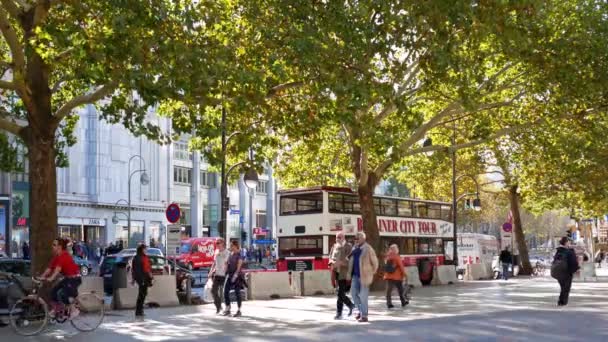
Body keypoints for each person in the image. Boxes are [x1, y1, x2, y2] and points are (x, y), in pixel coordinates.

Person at [40, 237, 82, 319]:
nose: (52, 246)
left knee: (64, 294)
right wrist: (41, 277)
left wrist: (51, 278)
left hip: (75, 279)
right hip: (67, 278)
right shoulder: (56, 257)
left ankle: (74, 310)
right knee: (53, 292)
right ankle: (57, 309)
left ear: (59, 247)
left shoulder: (64, 255)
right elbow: (49, 269)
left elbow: (57, 270)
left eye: (54, 245)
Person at [347, 232, 378, 323]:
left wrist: (371, 272)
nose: (356, 240)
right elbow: (350, 262)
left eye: (358, 238)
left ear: (363, 239)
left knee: (363, 296)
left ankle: (364, 316)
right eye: (355, 238)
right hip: (355, 276)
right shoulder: (354, 248)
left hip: (365, 276)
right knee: (353, 294)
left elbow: (375, 262)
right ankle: (360, 311)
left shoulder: (368, 249)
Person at [328, 232, 354, 320]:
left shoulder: (349, 246)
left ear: (343, 238)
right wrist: (332, 263)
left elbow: (351, 260)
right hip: (336, 273)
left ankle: (339, 313)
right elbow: (330, 257)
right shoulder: (334, 246)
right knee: (340, 293)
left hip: (345, 274)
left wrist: (341, 263)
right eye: (336, 237)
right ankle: (350, 305)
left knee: (340, 294)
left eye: (339, 237)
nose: (337, 239)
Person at [554, 237, 579, 306]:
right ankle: (562, 302)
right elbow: (574, 263)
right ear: (566, 242)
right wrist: (575, 270)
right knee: (566, 287)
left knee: (563, 287)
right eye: (569, 242)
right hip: (567, 273)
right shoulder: (570, 252)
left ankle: (561, 300)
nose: (570, 243)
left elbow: (554, 261)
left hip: (559, 272)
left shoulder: (558, 251)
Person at [222, 240, 245, 317]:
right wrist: (225, 268)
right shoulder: (230, 254)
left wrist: (235, 276)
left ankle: (239, 310)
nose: (230, 247)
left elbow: (239, 267)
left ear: (235, 246)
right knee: (225, 291)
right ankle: (228, 308)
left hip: (237, 276)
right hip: (229, 275)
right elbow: (227, 264)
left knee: (237, 292)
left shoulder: (239, 255)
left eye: (231, 245)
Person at [209, 238, 231, 314]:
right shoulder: (216, 251)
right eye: (216, 243)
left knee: (225, 292)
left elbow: (226, 262)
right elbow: (214, 263)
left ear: (223, 243)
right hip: (217, 274)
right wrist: (211, 271)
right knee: (213, 291)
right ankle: (218, 307)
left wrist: (220, 253)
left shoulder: (227, 252)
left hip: (224, 275)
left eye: (218, 243)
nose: (217, 244)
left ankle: (228, 308)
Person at [131, 244, 154, 317]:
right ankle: (138, 311)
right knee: (141, 295)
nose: (146, 250)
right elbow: (136, 271)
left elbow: (148, 268)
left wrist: (150, 276)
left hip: (146, 278)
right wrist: (139, 280)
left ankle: (140, 310)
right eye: (145, 249)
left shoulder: (145, 257)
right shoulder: (137, 258)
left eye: (146, 249)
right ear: (141, 249)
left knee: (144, 294)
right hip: (142, 278)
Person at [384, 244, 408, 309]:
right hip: (397, 276)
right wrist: (405, 275)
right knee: (400, 290)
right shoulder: (397, 257)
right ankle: (403, 302)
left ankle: (389, 303)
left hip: (388, 276)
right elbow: (401, 266)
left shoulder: (387, 257)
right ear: (396, 249)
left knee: (389, 291)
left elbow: (386, 267)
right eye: (397, 248)